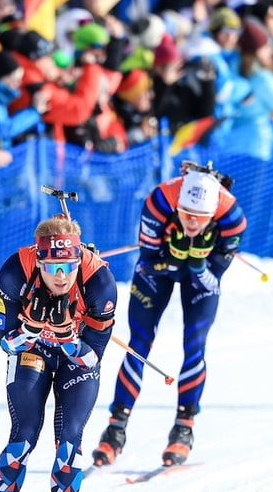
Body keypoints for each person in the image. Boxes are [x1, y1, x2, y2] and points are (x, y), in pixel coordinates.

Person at [0, 215, 116, 492]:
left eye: (68, 266)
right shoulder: (14, 272)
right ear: (39, 260)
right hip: (31, 352)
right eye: (53, 267)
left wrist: (68, 338)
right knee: (21, 439)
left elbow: (94, 355)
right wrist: (31, 329)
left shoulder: (99, 282)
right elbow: (6, 342)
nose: (62, 276)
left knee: (68, 443)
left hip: (75, 357)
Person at [93, 166, 246, 468]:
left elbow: (214, 278)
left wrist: (199, 267)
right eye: (186, 213)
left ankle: (184, 427)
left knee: (195, 345)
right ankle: (116, 428)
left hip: (197, 276)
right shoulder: (160, 200)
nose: (191, 222)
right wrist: (177, 260)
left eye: (200, 218)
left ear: (213, 213)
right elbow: (148, 262)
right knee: (139, 344)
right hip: (158, 270)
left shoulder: (232, 218)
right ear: (178, 205)